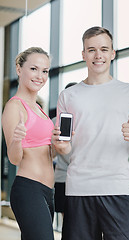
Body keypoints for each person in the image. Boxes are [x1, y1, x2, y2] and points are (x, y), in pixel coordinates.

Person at [52, 26, 129, 240]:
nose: (98, 55)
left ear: (113, 53)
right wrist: (61, 146)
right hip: (78, 189)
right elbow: (65, 144)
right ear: (83, 55)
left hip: (118, 187)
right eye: (91, 50)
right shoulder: (68, 95)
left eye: (104, 49)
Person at [2, 47, 56, 240]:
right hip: (29, 189)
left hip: (47, 191)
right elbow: (15, 158)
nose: (40, 76)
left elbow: (47, 153)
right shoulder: (14, 106)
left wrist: (59, 143)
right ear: (19, 69)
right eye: (34, 69)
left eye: (45, 71)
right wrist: (16, 140)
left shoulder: (40, 109)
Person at [52, 82, 77, 218]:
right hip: (64, 178)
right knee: (70, 221)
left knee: (69, 221)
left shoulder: (55, 120)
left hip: (69, 178)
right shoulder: (55, 122)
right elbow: (51, 152)